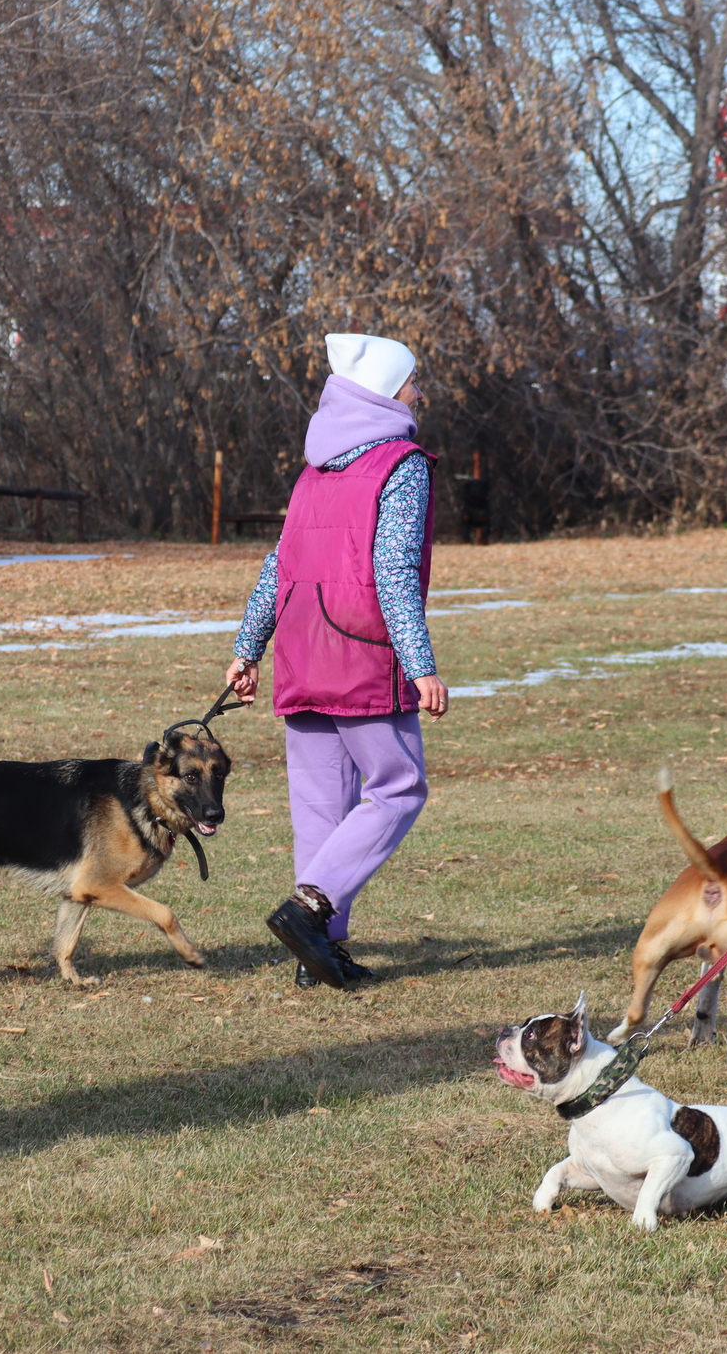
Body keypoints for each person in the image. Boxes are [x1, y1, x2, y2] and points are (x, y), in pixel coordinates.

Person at [225, 333, 447, 990]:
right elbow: (394, 569)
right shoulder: (400, 464)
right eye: (411, 383)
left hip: (300, 647)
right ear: (384, 394)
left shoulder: (312, 469)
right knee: (399, 787)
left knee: (322, 811)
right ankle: (310, 908)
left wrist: (247, 646)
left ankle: (315, 957)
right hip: (361, 652)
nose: (418, 393)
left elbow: (277, 565)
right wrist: (419, 662)